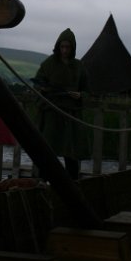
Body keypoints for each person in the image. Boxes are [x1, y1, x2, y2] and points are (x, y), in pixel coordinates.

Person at [34, 28, 89, 180]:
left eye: (68, 47)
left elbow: (88, 91)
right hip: (52, 112)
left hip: (71, 114)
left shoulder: (79, 66)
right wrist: (42, 88)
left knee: (70, 151)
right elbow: (37, 84)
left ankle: (73, 183)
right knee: (47, 149)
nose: (64, 50)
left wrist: (80, 95)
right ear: (58, 46)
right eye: (62, 47)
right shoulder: (48, 64)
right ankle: (43, 182)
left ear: (73, 48)